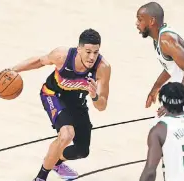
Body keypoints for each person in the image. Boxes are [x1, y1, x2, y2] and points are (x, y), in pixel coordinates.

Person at [8, 28, 111, 181]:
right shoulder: (62, 56)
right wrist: (12, 70)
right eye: (88, 51)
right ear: (79, 49)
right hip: (53, 94)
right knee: (66, 134)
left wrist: (95, 96)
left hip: (77, 103)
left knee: (82, 151)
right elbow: (39, 61)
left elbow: (102, 106)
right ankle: (41, 177)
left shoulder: (103, 68)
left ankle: (56, 162)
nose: (92, 57)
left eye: (95, 52)